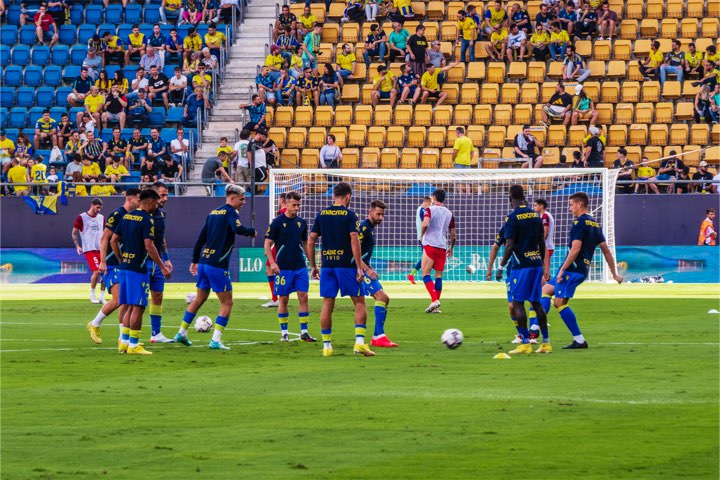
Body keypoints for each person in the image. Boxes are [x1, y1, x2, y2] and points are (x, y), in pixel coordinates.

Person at [173, 184, 256, 349]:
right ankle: (216, 340)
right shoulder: (231, 212)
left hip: (204, 262)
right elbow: (237, 228)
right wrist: (251, 231)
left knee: (199, 299)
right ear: (232, 197)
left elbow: (201, 238)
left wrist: (195, 260)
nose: (244, 202)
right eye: (242, 199)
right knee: (227, 303)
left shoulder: (212, 213)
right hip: (217, 265)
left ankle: (181, 333)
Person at [541, 192, 623, 349]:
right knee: (545, 289)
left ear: (579, 204)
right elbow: (606, 251)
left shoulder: (579, 223)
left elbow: (575, 249)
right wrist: (614, 274)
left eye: (571, 204)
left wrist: (562, 269)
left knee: (559, 303)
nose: (570, 208)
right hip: (582, 269)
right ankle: (534, 329)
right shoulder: (594, 224)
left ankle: (578, 340)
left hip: (572, 268)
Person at [306, 182, 373, 357]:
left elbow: (311, 240)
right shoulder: (350, 215)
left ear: (333, 195)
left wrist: (313, 265)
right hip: (346, 266)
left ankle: (327, 346)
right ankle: (359, 343)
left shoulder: (322, 215)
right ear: (348, 196)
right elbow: (354, 239)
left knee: (327, 304)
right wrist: (359, 267)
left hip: (328, 266)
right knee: (359, 301)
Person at [110, 189, 170, 355]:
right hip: (138, 268)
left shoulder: (126, 216)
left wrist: (120, 258)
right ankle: (134, 345)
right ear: (150, 202)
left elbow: (113, 240)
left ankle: (125, 342)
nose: (156, 207)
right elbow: (149, 246)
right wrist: (163, 266)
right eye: (156, 203)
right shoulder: (146, 220)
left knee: (129, 305)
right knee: (139, 307)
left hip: (124, 267)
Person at [497, 185, 550, 354]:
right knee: (536, 302)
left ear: (510, 198)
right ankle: (546, 343)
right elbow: (542, 242)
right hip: (536, 264)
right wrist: (542, 263)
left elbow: (510, 244)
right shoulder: (535, 216)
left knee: (518, 302)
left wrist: (501, 266)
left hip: (522, 266)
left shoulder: (512, 218)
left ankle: (525, 344)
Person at [86, 189, 141, 345]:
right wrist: (103, 261)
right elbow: (104, 238)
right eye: (138, 199)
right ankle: (94, 324)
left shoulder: (134, 216)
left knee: (126, 302)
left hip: (124, 263)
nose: (140, 202)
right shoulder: (117, 215)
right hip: (111, 263)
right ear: (130, 199)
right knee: (118, 300)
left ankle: (122, 339)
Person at [264, 192, 316, 342]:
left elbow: (305, 244)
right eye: (294, 205)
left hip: (300, 266)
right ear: (286, 204)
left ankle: (304, 332)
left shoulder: (302, 222)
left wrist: (312, 264)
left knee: (304, 297)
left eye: (298, 205)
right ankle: (284, 333)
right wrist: (272, 262)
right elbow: (267, 243)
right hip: (283, 268)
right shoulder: (277, 222)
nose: (297, 208)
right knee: (284, 299)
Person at [356, 200, 397, 348]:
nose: (381, 218)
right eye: (378, 214)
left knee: (384, 299)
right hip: (357, 270)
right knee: (382, 297)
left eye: (382, 215)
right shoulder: (364, 228)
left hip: (363, 267)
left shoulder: (370, 228)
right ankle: (378, 336)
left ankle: (377, 336)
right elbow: (353, 251)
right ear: (370, 211)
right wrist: (366, 269)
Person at [421, 189, 456, 314]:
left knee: (425, 274)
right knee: (439, 276)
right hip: (442, 246)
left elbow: (425, 224)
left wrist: (421, 235)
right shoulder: (449, 213)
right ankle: (436, 307)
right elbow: (453, 235)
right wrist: (451, 248)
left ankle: (434, 300)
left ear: (434, 197)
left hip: (430, 244)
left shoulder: (429, 209)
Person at [72, 198, 106, 304]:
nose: (99, 210)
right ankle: (92, 294)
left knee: (105, 272)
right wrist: (77, 246)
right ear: (92, 205)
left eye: (100, 208)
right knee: (97, 271)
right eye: (97, 207)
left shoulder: (101, 218)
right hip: (89, 249)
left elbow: (105, 233)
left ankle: (101, 296)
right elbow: (74, 232)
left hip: (101, 249)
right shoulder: (82, 217)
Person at [407, 196, 432, 284]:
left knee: (426, 257)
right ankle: (422, 276)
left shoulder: (419, 209)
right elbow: (424, 224)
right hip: (424, 237)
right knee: (426, 258)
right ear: (427, 202)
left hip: (422, 237)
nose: (431, 205)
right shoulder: (422, 210)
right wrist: (422, 236)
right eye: (430, 203)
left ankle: (412, 275)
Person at [452, 127, 475, 192]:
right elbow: (472, 151)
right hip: (467, 162)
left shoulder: (458, 140)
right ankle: (468, 195)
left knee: (458, 181)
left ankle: (460, 195)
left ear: (458, 133)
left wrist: (453, 159)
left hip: (459, 162)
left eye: (456, 133)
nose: (456, 134)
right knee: (467, 181)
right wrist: (469, 159)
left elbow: (455, 151)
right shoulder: (469, 140)